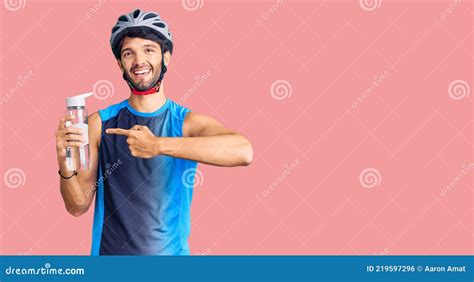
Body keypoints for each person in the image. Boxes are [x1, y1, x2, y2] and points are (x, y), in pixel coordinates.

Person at [55, 9, 253, 255]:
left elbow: (243, 151)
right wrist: (65, 166)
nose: (139, 61)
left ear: (166, 57)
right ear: (120, 64)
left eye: (148, 50)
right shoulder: (99, 123)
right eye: (129, 53)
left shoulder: (186, 123)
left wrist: (157, 145)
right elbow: (77, 206)